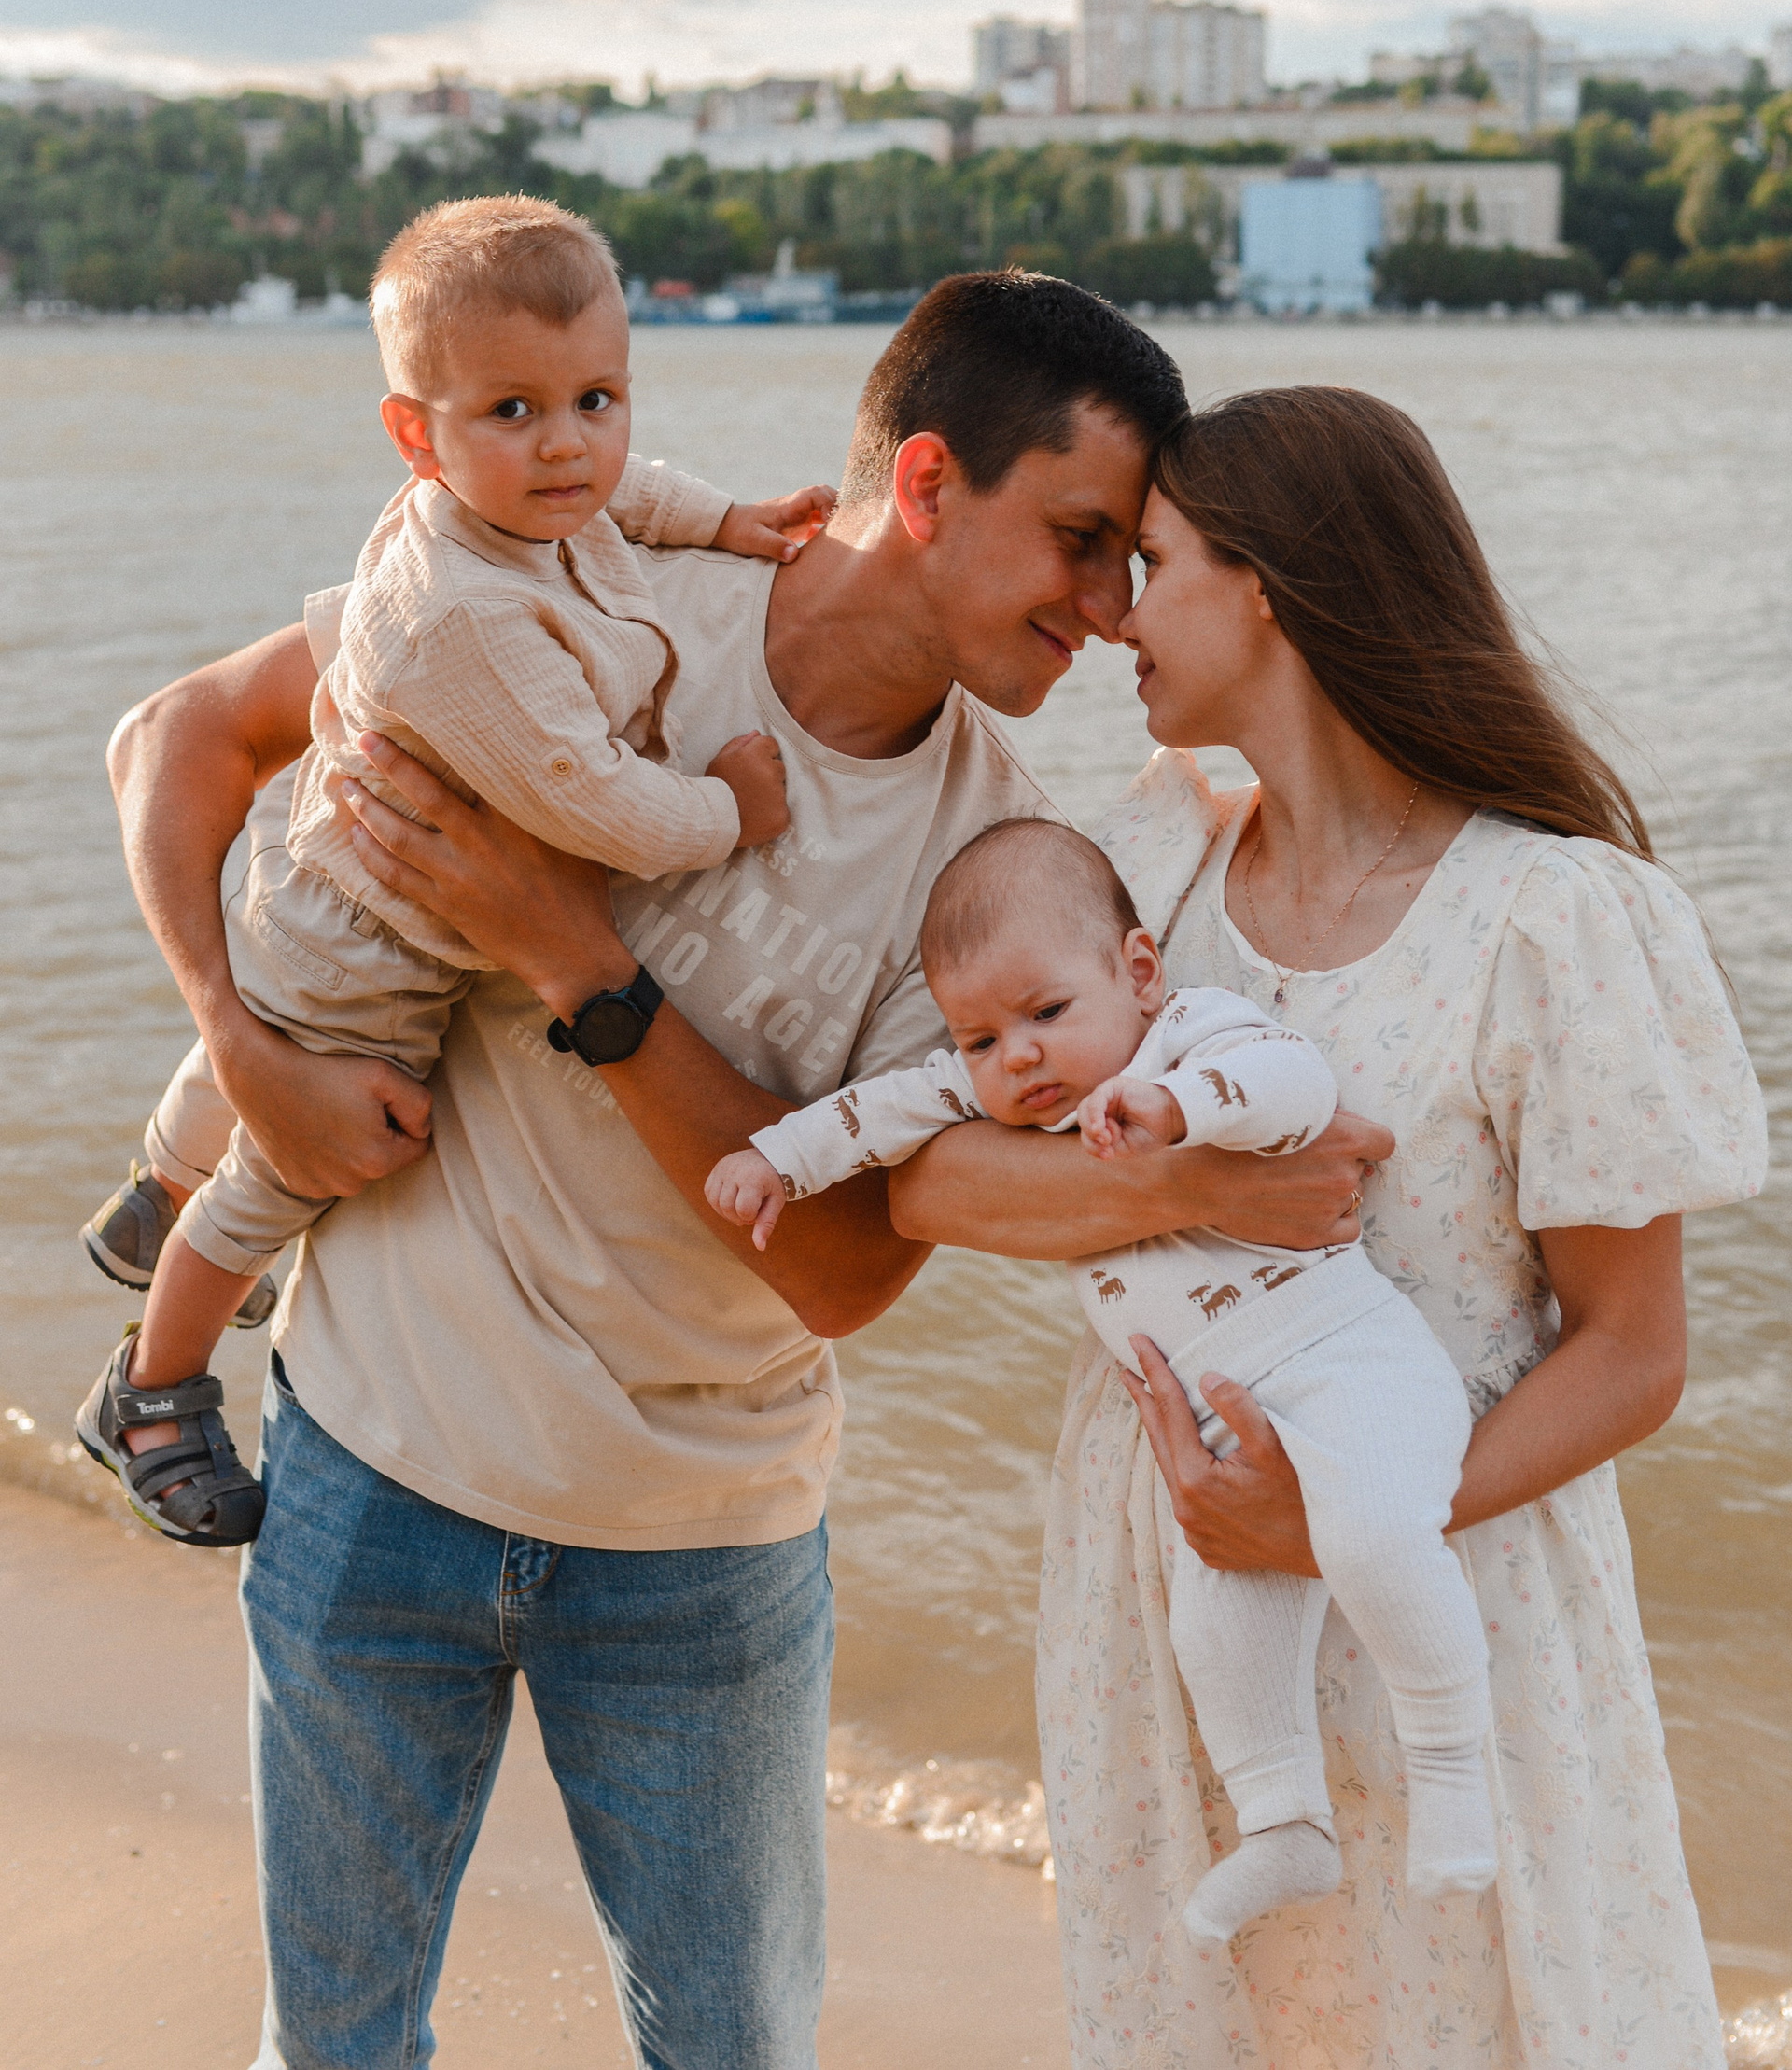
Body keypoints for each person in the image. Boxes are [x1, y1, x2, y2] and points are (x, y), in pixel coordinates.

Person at [114, 273, 1380, 2070]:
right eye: (1081, 539)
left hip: (702, 1551)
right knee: (330, 2051)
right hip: (376, 1458)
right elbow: (180, 737)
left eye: (1132, 562)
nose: (1112, 612)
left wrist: (575, 958)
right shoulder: (583, 590)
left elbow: (845, 1271)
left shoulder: (1001, 863)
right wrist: (242, 1047)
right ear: (926, 482)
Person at [886, 385, 1769, 2068]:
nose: (1115, 613)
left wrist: (1341, 1520)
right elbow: (924, 1177)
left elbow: (1636, 1354)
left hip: (1449, 1589)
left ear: (1272, 588)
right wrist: (1186, 1188)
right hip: (1171, 1600)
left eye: (1154, 563)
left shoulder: (1548, 916)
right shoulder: (1141, 879)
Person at [77, 192, 816, 1547]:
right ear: (416, 434)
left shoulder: (527, 501)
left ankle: (151, 1191)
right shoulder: (466, 614)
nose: (569, 444)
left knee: (249, 1021)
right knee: (284, 1176)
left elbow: (631, 493)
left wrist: (732, 521)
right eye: (514, 410)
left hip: (320, 872)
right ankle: (153, 1383)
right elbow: (601, 806)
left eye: (598, 398)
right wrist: (731, 806)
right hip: (372, 951)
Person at [710, 814, 1499, 1938]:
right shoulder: (998, 1088)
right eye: (980, 1038)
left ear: (1136, 973)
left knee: (1378, 1541)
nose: (1018, 1056)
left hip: (1349, 1365)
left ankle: (1454, 1768)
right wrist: (776, 1160)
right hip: (1231, 1428)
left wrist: (1180, 1110)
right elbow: (879, 1114)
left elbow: (1291, 1078)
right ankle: (1285, 1825)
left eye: (1045, 1013)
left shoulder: (1186, 1035)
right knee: (1215, 1630)